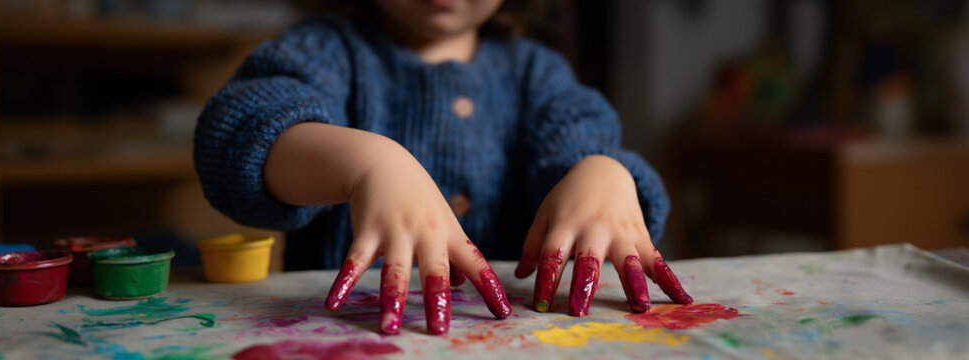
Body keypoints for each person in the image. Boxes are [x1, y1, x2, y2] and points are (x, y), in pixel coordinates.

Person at [194, 0, 691, 336]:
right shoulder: (326, 48)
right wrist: (368, 164)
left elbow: (577, 147)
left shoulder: (537, 74)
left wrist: (604, 173)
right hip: (347, 340)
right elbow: (238, 134)